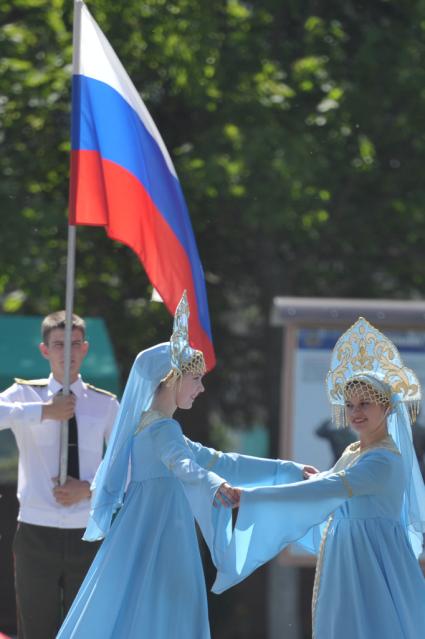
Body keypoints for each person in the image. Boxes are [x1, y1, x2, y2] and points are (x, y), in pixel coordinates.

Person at [57, 292, 315, 639]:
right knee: (169, 608)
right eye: (196, 379)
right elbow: (183, 465)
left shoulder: (150, 427)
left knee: (133, 607)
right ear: (172, 379)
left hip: (145, 530)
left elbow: (222, 461)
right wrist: (213, 485)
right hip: (161, 532)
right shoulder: (163, 429)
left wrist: (288, 469)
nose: (201, 388)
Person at [212, 317, 425, 638]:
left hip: (373, 557)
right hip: (347, 551)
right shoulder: (355, 450)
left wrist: (251, 495)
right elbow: (327, 482)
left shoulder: (384, 459)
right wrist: (277, 483)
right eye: (350, 404)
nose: (356, 411)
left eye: (365, 403)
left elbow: (330, 487)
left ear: (387, 407)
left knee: (374, 624)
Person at [0, 311, 119, 639]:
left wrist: (90, 489)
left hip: (89, 531)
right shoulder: (25, 395)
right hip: (36, 532)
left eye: (75, 344)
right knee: (37, 629)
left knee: (90, 629)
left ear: (85, 348)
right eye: (59, 345)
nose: (67, 353)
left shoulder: (104, 403)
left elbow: (129, 467)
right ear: (44, 350)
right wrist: (43, 412)